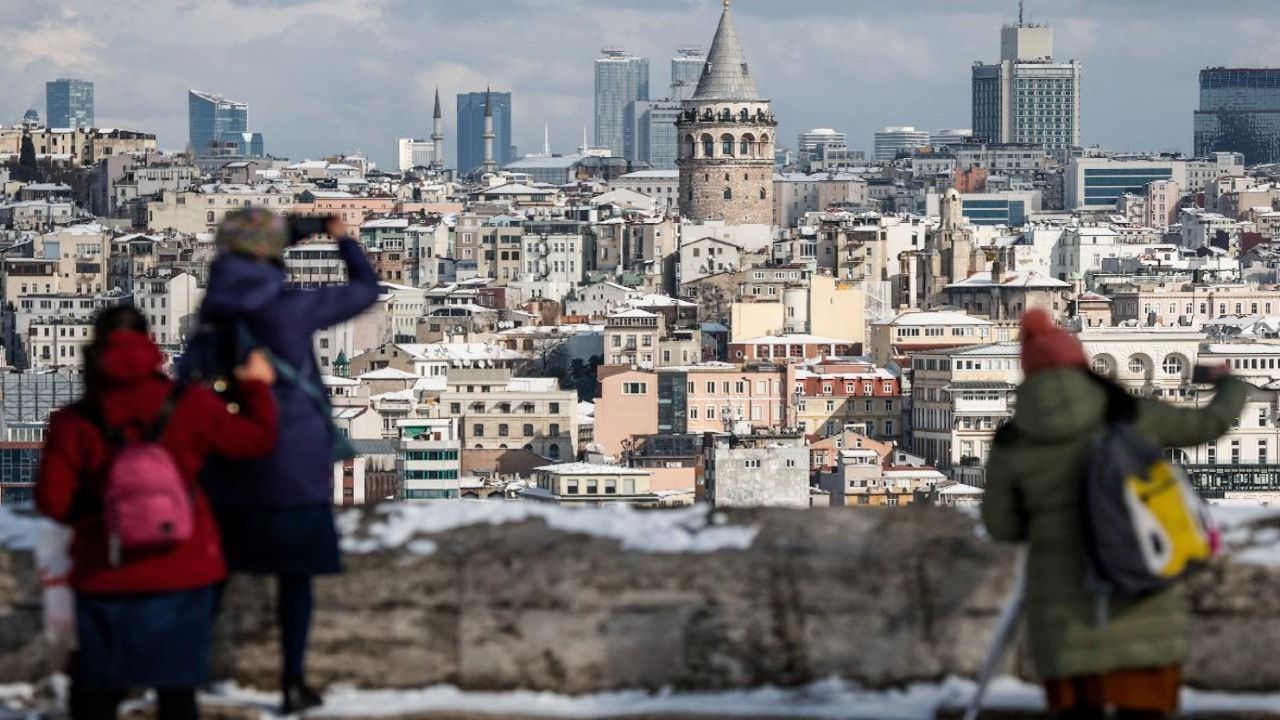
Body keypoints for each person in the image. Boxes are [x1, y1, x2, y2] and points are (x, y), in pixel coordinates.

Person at [982, 309, 1250, 720]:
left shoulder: (1013, 441)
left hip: (1062, 615)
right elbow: (1209, 424)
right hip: (1139, 594)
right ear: (1080, 363)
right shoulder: (1128, 413)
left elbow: (1001, 525)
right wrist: (1230, 385)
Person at [37, 307, 279, 720]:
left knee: (99, 691)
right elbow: (255, 441)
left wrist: (101, 519)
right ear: (151, 345)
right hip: (183, 566)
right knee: (176, 689)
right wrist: (256, 388)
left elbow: (53, 502)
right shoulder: (190, 405)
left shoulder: (74, 422)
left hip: (106, 571)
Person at [198, 208, 379, 714]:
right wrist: (340, 241)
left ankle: (188, 673)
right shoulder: (287, 307)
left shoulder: (213, 307)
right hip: (294, 464)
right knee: (295, 581)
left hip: (229, 462)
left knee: (214, 577)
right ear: (274, 251)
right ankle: (292, 682)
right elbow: (366, 290)